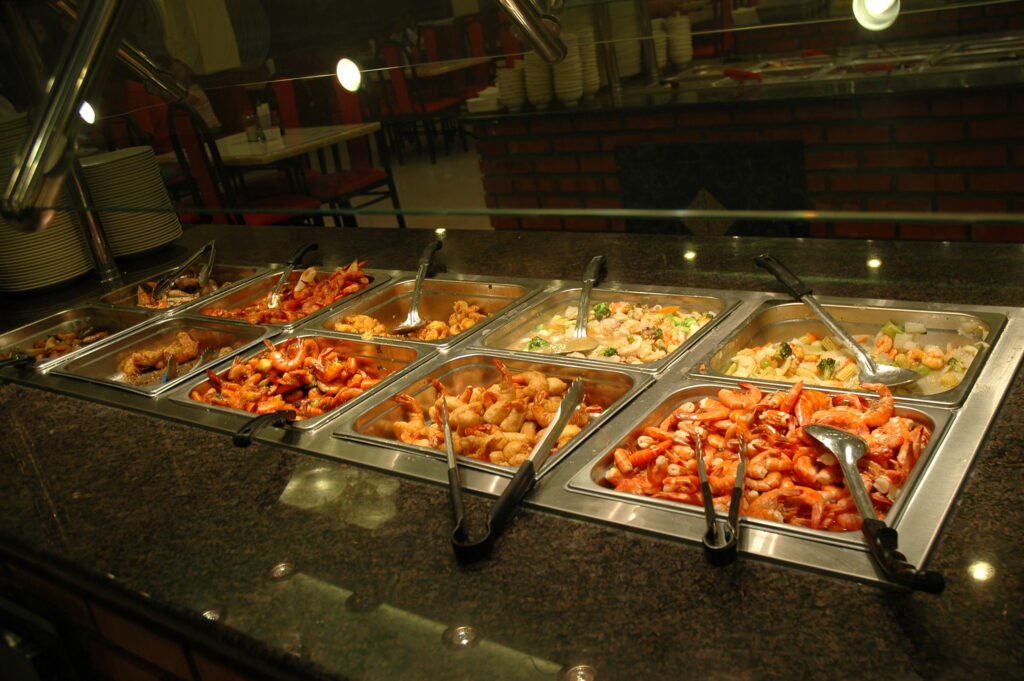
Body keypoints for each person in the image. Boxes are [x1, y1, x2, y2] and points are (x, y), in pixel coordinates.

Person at [165, 57, 222, 135]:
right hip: (201, 129)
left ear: (187, 71)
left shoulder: (194, 87)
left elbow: (186, 102)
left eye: (178, 71)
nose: (176, 74)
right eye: (173, 72)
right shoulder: (184, 89)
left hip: (210, 128)